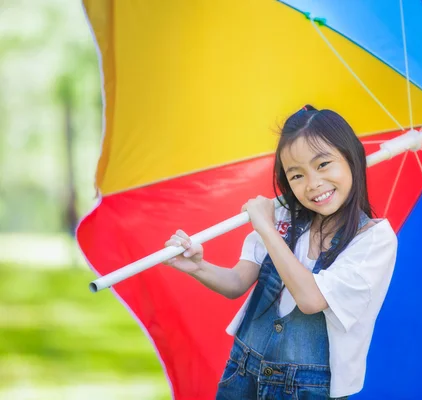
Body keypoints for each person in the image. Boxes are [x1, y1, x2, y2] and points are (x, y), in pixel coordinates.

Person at [164, 105, 398, 399]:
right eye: (296, 175)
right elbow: (237, 282)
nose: (313, 184)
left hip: (308, 389)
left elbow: (311, 299)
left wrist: (266, 229)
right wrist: (198, 267)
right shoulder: (285, 219)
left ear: (352, 158)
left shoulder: (373, 240)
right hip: (242, 371)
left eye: (323, 164)